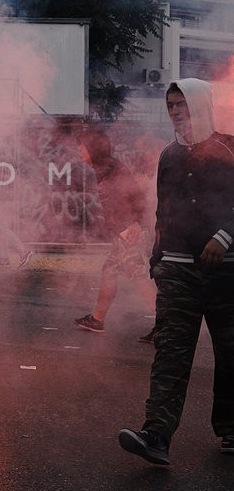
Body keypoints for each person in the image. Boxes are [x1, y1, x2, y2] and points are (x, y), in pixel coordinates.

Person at [119, 79, 234, 465]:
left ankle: (231, 427)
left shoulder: (229, 148)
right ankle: (156, 435)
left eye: (181, 104)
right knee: (170, 353)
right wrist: (158, 259)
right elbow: (163, 210)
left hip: (227, 274)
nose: (175, 112)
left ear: (200, 105)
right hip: (177, 271)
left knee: (231, 352)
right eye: (170, 105)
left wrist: (224, 237)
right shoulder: (168, 155)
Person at [73, 128, 156, 339]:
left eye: (82, 146)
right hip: (122, 234)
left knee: (139, 277)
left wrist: (136, 223)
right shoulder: (102, 169)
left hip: (129, 234)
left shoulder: (112, 169)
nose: (79, 150)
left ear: (93, 147)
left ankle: (166, 326)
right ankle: (97, 319)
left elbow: (137, 196)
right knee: (109, 272)